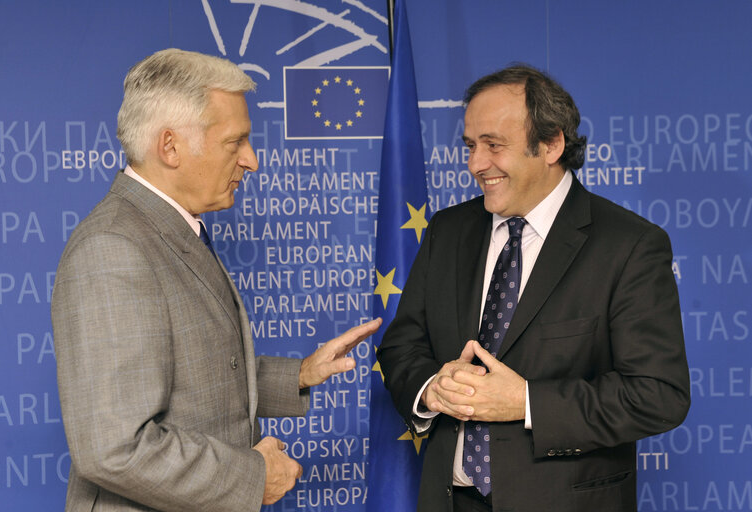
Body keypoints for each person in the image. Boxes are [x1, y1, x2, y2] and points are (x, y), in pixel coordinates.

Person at [51, 48, 380, 512]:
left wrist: (301, 374)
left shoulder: (167, 228)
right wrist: (253, 477)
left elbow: (198, 372)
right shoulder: (113, 248)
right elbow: (114, 449)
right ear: (170, 147)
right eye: (235, 142)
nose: (252, 160)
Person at [376, 65, 690, 512]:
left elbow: (659, 395)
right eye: (470, 146)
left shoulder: (629, 246)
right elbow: (401, 346)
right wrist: (431, 389)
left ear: (551, 144)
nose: (475, 164)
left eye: (493, 146)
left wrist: (525, 402)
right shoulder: (448, 231)